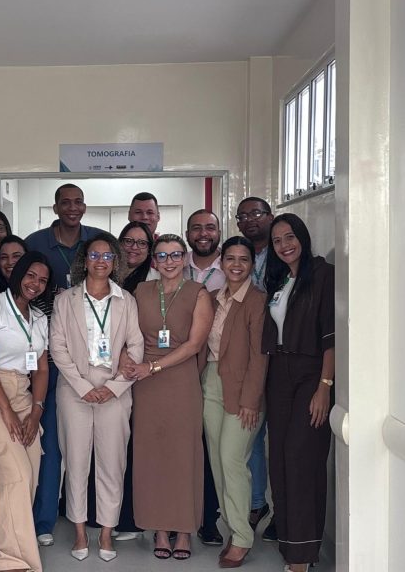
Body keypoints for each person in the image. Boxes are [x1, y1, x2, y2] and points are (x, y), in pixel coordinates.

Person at [51, 234, 144, 562]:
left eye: (107, 256)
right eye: (94, 255)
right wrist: (82, 386)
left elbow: (136, 346)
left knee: (111, 464)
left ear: (115, 261)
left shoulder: (126, 300)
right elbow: (57, 348)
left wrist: (115, 387)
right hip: (74, 390)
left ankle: (106, 532)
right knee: (76, 463)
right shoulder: (66, 300)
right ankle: (80, 532)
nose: (100, 261)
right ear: (85, 260)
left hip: (114, 391)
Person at [23, 183, 104, 546]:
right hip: (47, 356)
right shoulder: (36, 242)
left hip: (92, 360)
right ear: (55, 207)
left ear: (84, 207)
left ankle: (87, 515)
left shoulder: (97, 241)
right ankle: (43, 519)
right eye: (65, 202)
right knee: (51, 444)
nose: (72, 207)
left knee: (89, 444)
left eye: (78, 202)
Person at [124, 234, 214, 561]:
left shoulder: (198, 293)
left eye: (175, 255)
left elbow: (194, 345)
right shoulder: (141, 291)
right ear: (154, 261)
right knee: (151, 457)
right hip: (145, 385)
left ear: (185, 257)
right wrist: (127, 362)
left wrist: (154, 367)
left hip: (179, 380)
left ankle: (185, 529)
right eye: (162, 256)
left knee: (183, 456)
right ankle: (160, 529)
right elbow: (125, 333)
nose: (169, 262)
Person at [0, 252, 54, 572]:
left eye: (42, 280)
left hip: (24, 395)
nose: (35, 284)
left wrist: (36, 411)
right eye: (31, 275)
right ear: (18, 273)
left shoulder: (39, 317)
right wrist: (6, 410)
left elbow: (42, 369)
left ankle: (0, 549)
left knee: (27, 477)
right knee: (15, 475)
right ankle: (11, 561)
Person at [262, 213, 335, 572]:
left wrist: (325, 387)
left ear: (302, 238)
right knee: (279, 459)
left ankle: (303, 557)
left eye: (289, 237)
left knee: (302, 459)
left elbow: (331, 337)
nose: (284, 245)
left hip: (311, 374)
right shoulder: (279, 280)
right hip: (278, 374)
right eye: (277, 240)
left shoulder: (323, 275)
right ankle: (290, 546)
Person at [201, 236, 268, 568]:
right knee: (217, 461)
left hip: (243, 389)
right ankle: (233, 525)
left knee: (232, 460)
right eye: (230, 258)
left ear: (252, 264)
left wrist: (251, 400)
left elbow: (260, 356)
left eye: (244, 259)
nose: (236, 265)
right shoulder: (213, 297)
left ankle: (242, 537)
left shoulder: (257, 301)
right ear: (221, 262)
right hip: (210, 383)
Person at [234, 196, 276, 540]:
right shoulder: (240, 258)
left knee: (281, 441)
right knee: (253, 436)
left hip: (283, 358)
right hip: (248, 357)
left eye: (256, 213)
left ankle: (280, 512)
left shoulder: (281, 255)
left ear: (270, 216)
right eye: (243, 216)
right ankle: (257, 502)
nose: (250, 220)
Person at [184, 208, 226, 545]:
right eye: (196, 228)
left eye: (209, 227)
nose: (203, 233)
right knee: (181, 445)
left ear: (219, 232)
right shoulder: (172, 263)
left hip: (214, 367)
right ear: (187, 234)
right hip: (175, 368)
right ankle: (179, 515)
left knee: (211, 446)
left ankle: (209, 519)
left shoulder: (232, 266)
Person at [118, 220, 154, 289]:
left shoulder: (156, 279)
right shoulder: (106, 271)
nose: (134, 247)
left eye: (142, 243)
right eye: (128, 241)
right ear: (119, 244)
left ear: (149, 250)